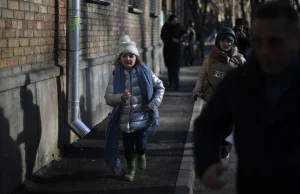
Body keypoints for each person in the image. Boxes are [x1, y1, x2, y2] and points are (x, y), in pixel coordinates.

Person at [193, 1, 300, 194]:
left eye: (275, 42)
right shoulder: (240, 81)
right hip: (252, 184)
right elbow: (207, 125)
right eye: (258, 42)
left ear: (296, 39)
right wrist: (207, 162)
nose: (265, 51)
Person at [104, 37, 165, 182]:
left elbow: (160, 87)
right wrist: (121, 98)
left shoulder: (146, 72)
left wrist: (153, 104)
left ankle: (142, 153)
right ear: (120, 58)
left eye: (131, 56)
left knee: (141, 144)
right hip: (124, 121)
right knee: (128, 148)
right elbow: (108, 97)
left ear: (136, 58)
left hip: (142, 118)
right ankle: (131, 169)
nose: (128, 59)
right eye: (124, 56)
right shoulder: (115, 75)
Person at [192, 27, 246, 158]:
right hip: (213, 98)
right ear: (218, 41)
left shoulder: (239, 59)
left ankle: (224, 145)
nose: (226, 43)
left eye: (229, 41)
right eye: (223, 40)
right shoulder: (209, 59)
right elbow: (201, 76)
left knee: (228, 127)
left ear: (233, 42)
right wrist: (197, 90)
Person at [161, 14, 186, 90]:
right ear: (170, 20)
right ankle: (171, 81)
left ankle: (176, 83)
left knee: (176, 67)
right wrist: (171, 39)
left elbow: (184, 34)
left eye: (176, 20)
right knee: (170, 67)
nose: (175, 22)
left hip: (178, 49)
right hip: (169, 49)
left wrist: (182, 40)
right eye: (174, 20)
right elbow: (163, 36)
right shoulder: (166, 27)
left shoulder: (179, 26)